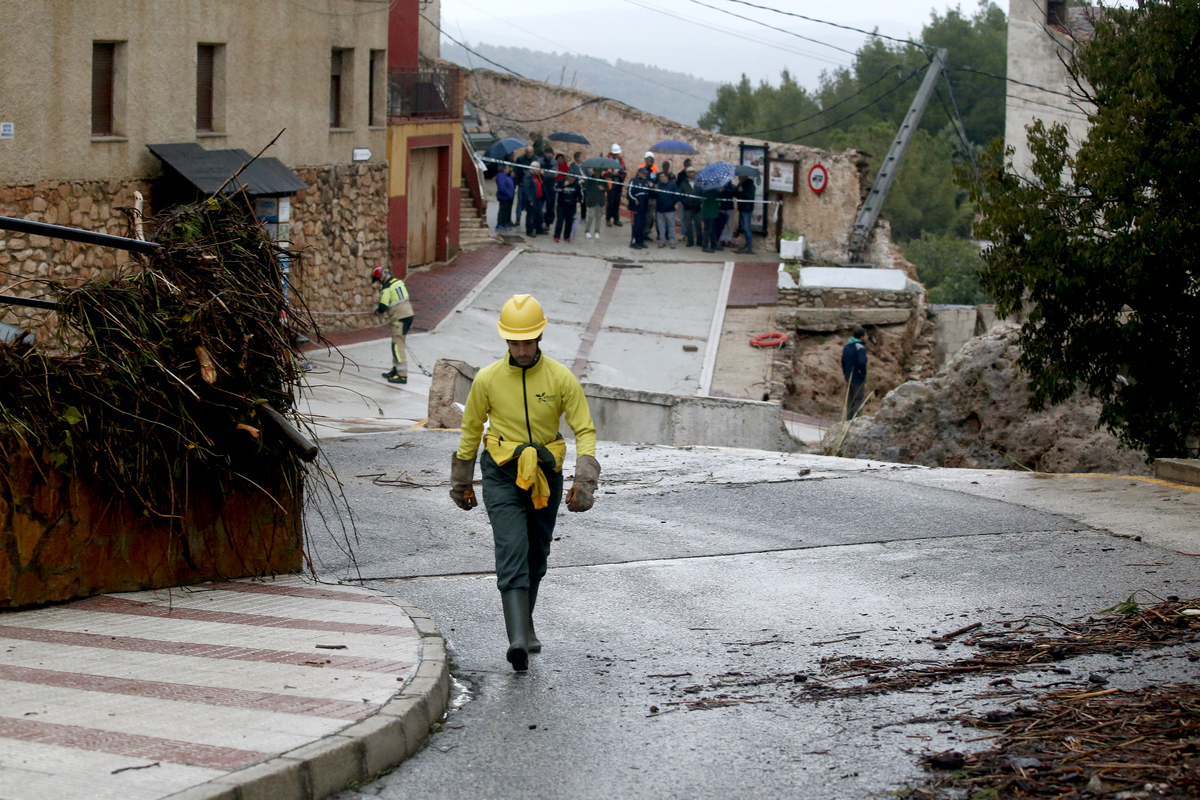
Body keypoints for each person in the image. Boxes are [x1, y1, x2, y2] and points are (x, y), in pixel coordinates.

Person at [449, 294, 600, 672]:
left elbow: (584, 428)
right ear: (505, 340)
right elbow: (471, 429)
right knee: (512, 547)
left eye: (527, 341)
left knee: (537, 553)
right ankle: (516, 640)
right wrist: (461, 480)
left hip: (545, 476)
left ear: (540, 337)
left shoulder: (560, 378)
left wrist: (585, 480)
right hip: (501, 472)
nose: (520, 348)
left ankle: (526, 628)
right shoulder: (487, 379)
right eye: (514, 341)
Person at [371, 265, 414, 384]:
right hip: (408, 315)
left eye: (378, 280)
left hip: (399, 319)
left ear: (381, 277)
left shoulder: (386, 289)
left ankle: (402, 375)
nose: (378, 282)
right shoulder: (398, 282)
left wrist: (377, 311)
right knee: (396, 343)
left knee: (397, 346)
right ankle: (395, 370)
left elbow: (383, 306)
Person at [841, 327, 869, 420]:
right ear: (862, 337)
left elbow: (843, 362)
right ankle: (856, 420)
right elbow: (862, 362)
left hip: (848, 377)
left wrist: (846, 374)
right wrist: (862, 374)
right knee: (858, 400)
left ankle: (848, 420)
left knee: (850, 401)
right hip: (857, 378)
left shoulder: (847, 347)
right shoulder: (860, 347)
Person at [627, 167, 651, 250]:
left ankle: (640, 241)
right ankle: (633, 242)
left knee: (642, 224)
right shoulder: (633, 180)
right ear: (639, 173)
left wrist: (652, 187)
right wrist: (634, 200)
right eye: (643, 173)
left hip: (644, 207)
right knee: (635, 225)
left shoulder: (646, 182)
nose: (645, 175)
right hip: (635, 207)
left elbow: (649, 193)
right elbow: (629, 193)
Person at [654, 170, 679, 249]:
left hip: (670, 209)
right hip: (660, 209)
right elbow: (655, 196)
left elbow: (676, 195)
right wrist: (655, 190)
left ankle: (672, 241)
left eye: (662, 177)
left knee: (671, 226)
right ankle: (662, 241)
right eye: (660, 177)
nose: (660, 178)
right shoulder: (658, 185)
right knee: (661, 226)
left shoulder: (672, 185)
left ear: (666, 177)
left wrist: (672, 203)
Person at [677, 167, 701, 247]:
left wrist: (699, 202)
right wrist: (685, 202)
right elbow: (680, 195)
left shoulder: (698, 183)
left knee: (698, 224)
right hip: (687, 207)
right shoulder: (684, 183)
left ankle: (699, 241)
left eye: (693, 172)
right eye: (690, 172)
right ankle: (690, 241)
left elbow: (701, 193)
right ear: (687, 174)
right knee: (688, 225)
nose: (692, 174)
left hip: (697, 208)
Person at [520, 163, 545, 237]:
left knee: (539, 214)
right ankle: (530, 230)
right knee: (531, 215)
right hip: (532, 199)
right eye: (538, 168)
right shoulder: (528, 177)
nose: (539, 170)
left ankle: (538, 228)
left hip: (538, 198)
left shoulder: (537, 176)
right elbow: (526, 189)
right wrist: (530, 200)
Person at [605, 144, 626, 227]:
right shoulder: (607, 160)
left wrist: (623, 174)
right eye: (615, 154)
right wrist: (613, 174)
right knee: (610, 202)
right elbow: (604, 172)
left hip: (619, 184)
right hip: (611, 184)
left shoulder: (621, 159)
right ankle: (608, 218)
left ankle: (616, 219)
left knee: (617, 202)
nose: (616, 155)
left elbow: (624, 169)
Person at [554, 174, 581, 242]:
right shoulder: (561, 181)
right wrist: (563, 186)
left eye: (573, 178)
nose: (571, 179)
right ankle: (557, 236)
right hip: (561, 205)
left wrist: (579, 202)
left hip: (571, 206)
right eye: (570, 177)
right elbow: (555, 189)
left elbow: (580, 195)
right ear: (567, 177)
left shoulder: (577, 184)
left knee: (569, 221)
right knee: (560, 221)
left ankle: (567, 236)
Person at [735, 176, 756, 254]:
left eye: (740, 177)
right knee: (744, 227)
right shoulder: (740, 184)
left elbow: (750, 196)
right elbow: (737, 194)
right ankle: (746, 245)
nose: (738, 178)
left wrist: (742, 191)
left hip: (747, 208)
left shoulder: (750, 186)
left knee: (747, 227)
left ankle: (749, 246)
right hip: (741, 208)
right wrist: (738, 191)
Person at [583, 167, 606, 239]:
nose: (598, 172)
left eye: (599, 171)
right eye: (596, 171)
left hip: (600, 200)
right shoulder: (590, 179)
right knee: (591, 216)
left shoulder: (603, 179)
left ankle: (597, 231)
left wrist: (603, 188)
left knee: (598, 217)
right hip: (592, 201)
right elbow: (586, 188)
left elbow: (607, 188)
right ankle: (587, 231)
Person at [641, 152, 658, 240]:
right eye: (649, 159)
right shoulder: (642, 171)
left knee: (650, 217)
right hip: (645, 198)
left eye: (652, 159)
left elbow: (657, 181)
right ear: (645, 160)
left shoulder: (654, 172)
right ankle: (642, 233)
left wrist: (655, 185)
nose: (651, 160)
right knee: (644, 216)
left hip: (652, 197)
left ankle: (647, 233)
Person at [700, 187, 721, 253]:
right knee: (707, 230)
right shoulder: (708, 191)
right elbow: (709, 199)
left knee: (713, 230)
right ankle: (705, 246)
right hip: (708, 213)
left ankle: (713, 244)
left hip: (713, 213)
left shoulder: (713, 191)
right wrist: (718, 192)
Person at [495, 165, 515, 231]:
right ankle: (500, 224)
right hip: (504, 197)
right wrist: (507, 193)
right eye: (508, 168)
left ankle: (504, 223)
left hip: (508, 197)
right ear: (504, 169)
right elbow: (502, 187)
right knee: (502, 211)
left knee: (506, 211)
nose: (509, 169)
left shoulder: (506, 176)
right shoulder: (501, 176)